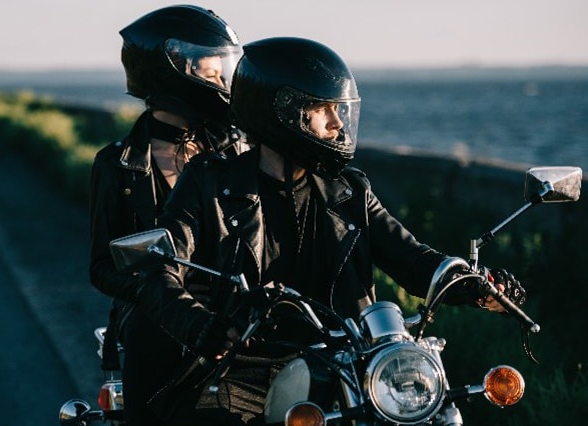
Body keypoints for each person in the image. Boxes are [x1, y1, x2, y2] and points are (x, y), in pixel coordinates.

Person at [134, 37, 527, 425]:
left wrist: (474, 285)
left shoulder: (350, 191)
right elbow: (158, 268)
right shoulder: (209, 183)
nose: (338, 124)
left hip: (348, 363)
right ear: (283, 111)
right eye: (324, 110)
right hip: (246, 366)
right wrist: (200, 323)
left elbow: (413, 260)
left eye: (339, 110)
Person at [88, 5, 247, 425]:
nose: (223, 83)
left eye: (223, 72)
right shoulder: (118, 164)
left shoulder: (235, 154)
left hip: (231, 321)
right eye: (212, 74)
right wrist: (155, 292)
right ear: (174, 71)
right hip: (157, 325)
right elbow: (102, 266)